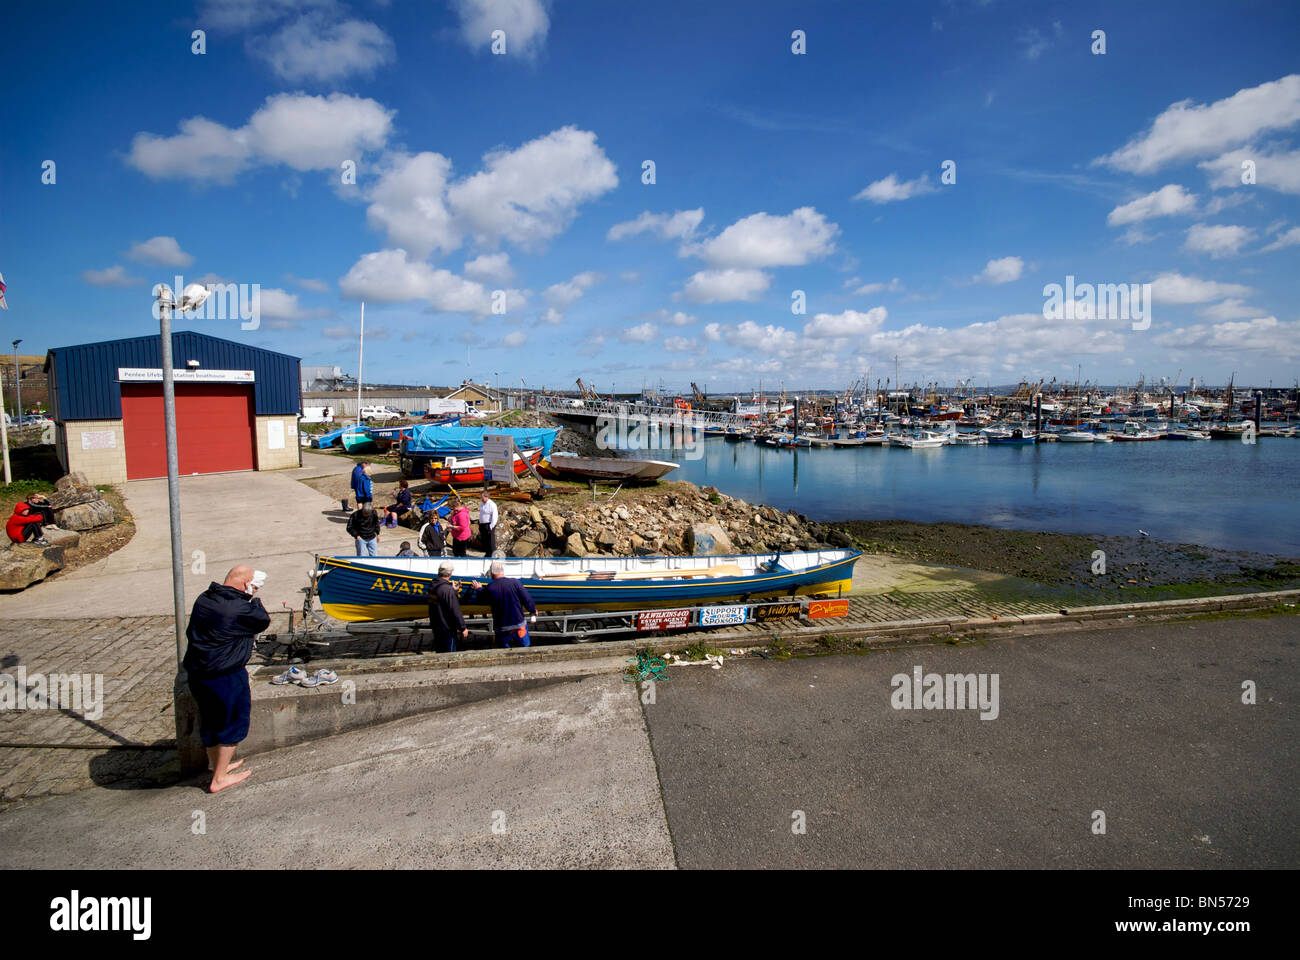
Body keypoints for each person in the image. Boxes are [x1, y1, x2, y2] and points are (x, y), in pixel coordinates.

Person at [182, 565, 270, 793]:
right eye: (254, 586)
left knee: (211, 722)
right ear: (245, 585)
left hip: (198, 673)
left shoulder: (205, 598)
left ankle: (217, 766)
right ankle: (219, 779)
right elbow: (262, 620)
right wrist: (254, 600)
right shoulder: (240, 608)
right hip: (225, 675)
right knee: (233, 723)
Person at [468, 561, 537, 648]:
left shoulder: (490, 588)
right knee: (524, 649)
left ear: (492, 573)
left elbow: (482, 598)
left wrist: (478, 588)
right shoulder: (515, 582)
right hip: (518, 625)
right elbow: (527, 599)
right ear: (503, 571)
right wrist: (533, 610)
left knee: (503, 651)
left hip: (502, 628)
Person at [424, 563, 469, 653]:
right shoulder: (447, 590)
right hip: (447, 628)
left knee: (440, 651)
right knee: (449, 653)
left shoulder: (433, 585)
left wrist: (453, 591)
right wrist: (463, 628)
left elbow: (441, 602)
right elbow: (455, 610)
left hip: (436, 625)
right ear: (450, 574)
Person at [478, 488, 499, 556]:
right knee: (484, 541)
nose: (481, 499)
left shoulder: (492, 504)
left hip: (489, 524)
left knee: (490, 541)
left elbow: (495, 516)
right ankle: (487, 553)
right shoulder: (482, 504)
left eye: (482, 497)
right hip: (482, 524)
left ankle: (493, 554)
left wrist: (491, 526)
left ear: (486, 497)